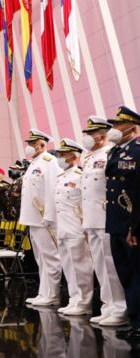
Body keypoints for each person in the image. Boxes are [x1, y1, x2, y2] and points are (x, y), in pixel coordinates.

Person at [81, 116, 127, 326]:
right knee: (100, 265)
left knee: (111, 264)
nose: (89, 138)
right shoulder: (89, 158)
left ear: (102, 135)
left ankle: (120, 307)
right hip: (91, 218)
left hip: (105, 216)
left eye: (92, 134)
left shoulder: (110, 154)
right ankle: (108, 305)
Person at [107, 106, 140, 340]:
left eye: (119, 125)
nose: (115, 129)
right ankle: (133, 318)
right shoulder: (115, 152)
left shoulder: (138, 151)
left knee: (137, 274)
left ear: (132, 127)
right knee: (125, 273)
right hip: (116, 222)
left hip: (131, 224)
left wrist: (134, 227)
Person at [20, 129, 62, 306]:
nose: (29, 147)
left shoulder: (49, 161)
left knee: (50, 257)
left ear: (42, 145)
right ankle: (43, 292)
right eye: (28, 144)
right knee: (40, 258)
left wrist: (49, 215)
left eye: (32, 144)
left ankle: (52, 294)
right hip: (32, 218)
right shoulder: (34, 163)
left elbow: (53, 189)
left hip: (44, 217)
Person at [54, 139, 94, 316]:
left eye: (63, 155)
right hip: (62, 228)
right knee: (68, 266)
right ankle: (74, 299)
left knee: (81, 266)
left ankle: (85, 302)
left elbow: (86, 203)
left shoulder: (80, 176)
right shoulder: (61, 177)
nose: (60, 158)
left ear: (73, 156)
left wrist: (85, 227)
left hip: (77, 228)